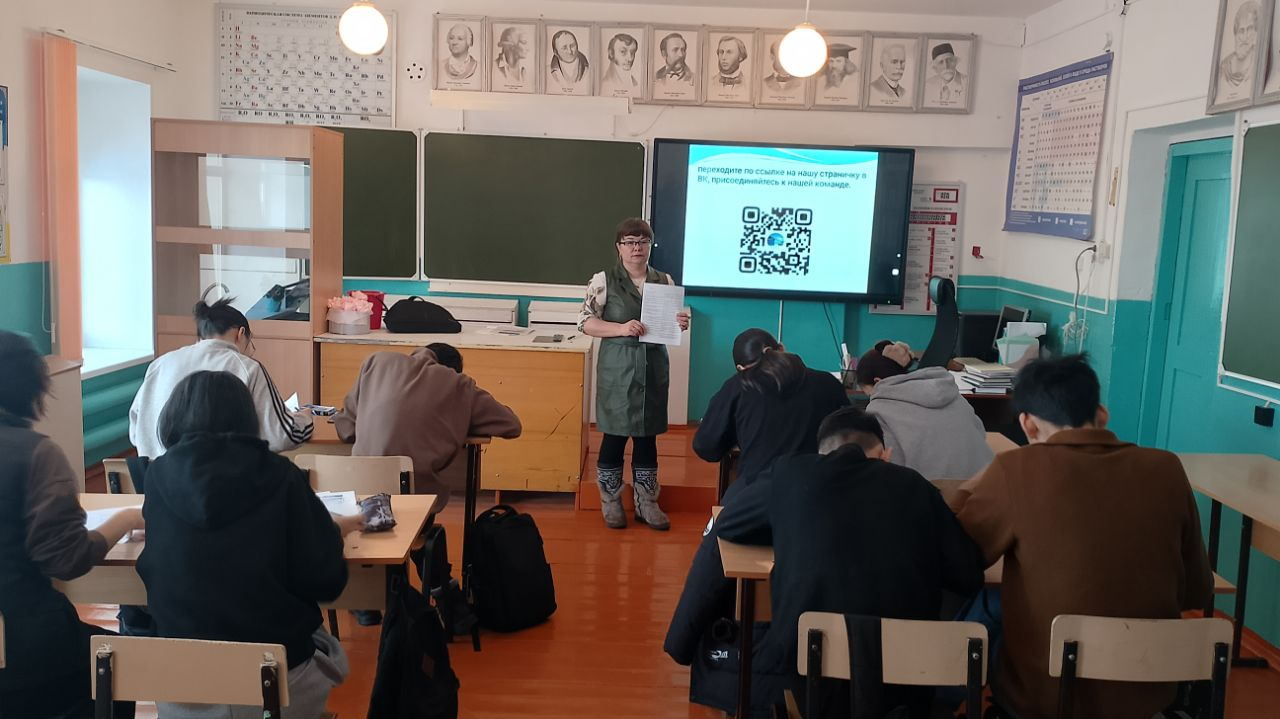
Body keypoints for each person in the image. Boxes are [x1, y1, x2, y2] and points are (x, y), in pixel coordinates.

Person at [951, 355, 1213, 719]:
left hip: (1047, 698)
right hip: (1149, 693)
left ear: (1027, 424)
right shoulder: (1167, 468)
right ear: (1102, 414)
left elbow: (958, 557)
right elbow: (1197, 592)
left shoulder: (1015, 469)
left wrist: (972, 486)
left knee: (986, 609)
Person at [711, 408, 985, 716]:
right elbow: (969, 574)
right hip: (909, 685)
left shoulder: (792, 474)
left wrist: (789, 526)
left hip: (813, 679)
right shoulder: (916, 486)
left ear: (820, 453)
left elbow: (728, 523)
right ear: (885, 455)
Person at [137, 371, 359, 719]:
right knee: (320, 643)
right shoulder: (281, 475)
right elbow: (327, 581)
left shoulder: (157, 476)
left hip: (181, 688)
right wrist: (330, 534)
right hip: (275, 684)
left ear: (173, 415)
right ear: (247, 417)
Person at [0, 331, 145, 719]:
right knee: (118, 666)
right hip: (23, 642)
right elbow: (66, 560)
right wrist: (127, 517)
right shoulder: (36, 455)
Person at [579, 218, 690, 530]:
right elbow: (585, 322)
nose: (636, 248)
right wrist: (620, 328)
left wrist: (680, 323)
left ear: (650, 245)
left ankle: (646, 502)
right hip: (618, 367)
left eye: (642, 241)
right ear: (619, 247)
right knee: (614, 435)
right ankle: (611, 500)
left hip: (653, 366)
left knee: (647, 436)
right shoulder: (603, 280)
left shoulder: (664, 280)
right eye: (629, 242)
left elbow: (670, 322)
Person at [333, 342, 521, 504]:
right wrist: (462, 416)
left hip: (359, 493)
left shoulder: (376, 362)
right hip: (416, 499)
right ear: (451, 370)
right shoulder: (459, 384)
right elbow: (511, 425)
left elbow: (346, 429)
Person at [129, 299, 312, 458]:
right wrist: (305, 420)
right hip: (222, 481)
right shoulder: (247, 367)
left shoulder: (160, 364)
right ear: (241, 334)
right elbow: (282, 435)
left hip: (156, 479)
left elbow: (136, 432)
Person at [693, 328, 847, 492]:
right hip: (819, 492)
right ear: (781, 348)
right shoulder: (828, 383)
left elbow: (707, 448)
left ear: (740, 368)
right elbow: (850, 438)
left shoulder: (738, 386)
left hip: (758, 493)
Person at [857, 340, 992, 479]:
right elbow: (980, 434)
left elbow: (889, 468)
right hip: (983, 484)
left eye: (869, 394)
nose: (871, 398)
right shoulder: (951, 392)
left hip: (932, 489)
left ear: (878, 382)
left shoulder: (878, 410)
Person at [1219, 1, 1260, 92]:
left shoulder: (1259, 60)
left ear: (1255, 31)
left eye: (1249, 29)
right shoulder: (1224, 65)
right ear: (1235, 33)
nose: (1245, 37)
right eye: (1241, 31)